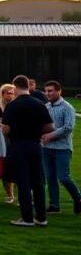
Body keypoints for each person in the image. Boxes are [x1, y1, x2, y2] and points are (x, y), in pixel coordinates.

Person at [2, 74, 54, 226]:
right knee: (38, 182)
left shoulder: (12, 106)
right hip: (35, 145)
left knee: (23, 182)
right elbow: (50, 127)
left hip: (19, 145)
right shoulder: (39, 104)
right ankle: (41, 217)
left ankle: (27, 218)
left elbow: (5, 129)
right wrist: (36, 131)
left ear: (15, 87)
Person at [40, 80, 81, 215]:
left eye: (50, 91)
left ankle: (78, 198)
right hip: (46, 148)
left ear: (59, 91)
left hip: (62, 148)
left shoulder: (67, 107)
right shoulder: (46, 107)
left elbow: (68, 127)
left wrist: (51, 135)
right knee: (50, 177)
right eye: (46, 91)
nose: (47, 93)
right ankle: (54, 205)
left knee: (63, 177)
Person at [0, 83, 16, 203]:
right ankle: (9, 195)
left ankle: (22, 195)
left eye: (13, 93)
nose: (12, 95)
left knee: (18, 167)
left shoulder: (16, 105)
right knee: (5, 168)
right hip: (2, 140)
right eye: (9, 93)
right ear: (2, 93)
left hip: (15, 139)